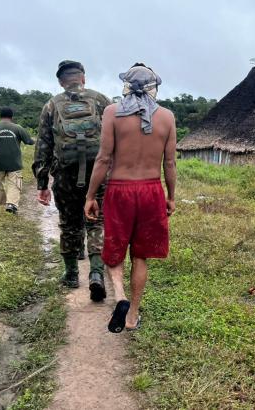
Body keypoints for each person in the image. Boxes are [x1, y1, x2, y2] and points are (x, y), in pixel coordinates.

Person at [84, 63, 176, 333]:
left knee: (114, 251)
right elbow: (169, 164)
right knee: (140, 256)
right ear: (154, 88)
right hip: (151, 191)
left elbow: (103, 158)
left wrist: (91, 195)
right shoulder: (167, 117)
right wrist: (171, 197)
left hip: (120, 190)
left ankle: (121, 296)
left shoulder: (112, 113)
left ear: (126, 86)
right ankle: (132, 316)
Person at [32, 60, 111, 301]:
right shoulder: (101, 101)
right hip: (97, 174)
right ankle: (96, 274)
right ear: (83, 78)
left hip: (65, 174)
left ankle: (71, 274)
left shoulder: (51, 105)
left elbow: (43, 147)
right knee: (96, 222)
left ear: (60, 81)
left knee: (68, 224)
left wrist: (42, 184)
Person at [0, 107, 34, 214]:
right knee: (14, 183)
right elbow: (29, 141)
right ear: (12, 117)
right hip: (14, 163)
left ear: (0, 116)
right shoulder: (18, 128)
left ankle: (1, 204)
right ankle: (11, 204)